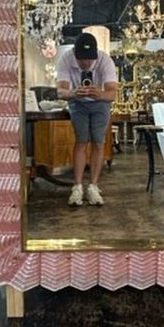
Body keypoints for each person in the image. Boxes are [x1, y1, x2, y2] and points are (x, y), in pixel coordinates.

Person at [56, 32, 118, 206]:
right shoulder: (66, 59)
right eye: (82, 60)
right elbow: (60, 91)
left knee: (99, 142)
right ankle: (77, 187)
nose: (85, 64)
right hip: (77, 103)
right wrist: (73, 93)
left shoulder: (105, 61)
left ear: (95, 55)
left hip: (101, 103)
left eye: (89, 60)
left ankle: (93, 186)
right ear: (74, 53)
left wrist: (100, 93)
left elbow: (112, 94)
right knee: (81, 142)